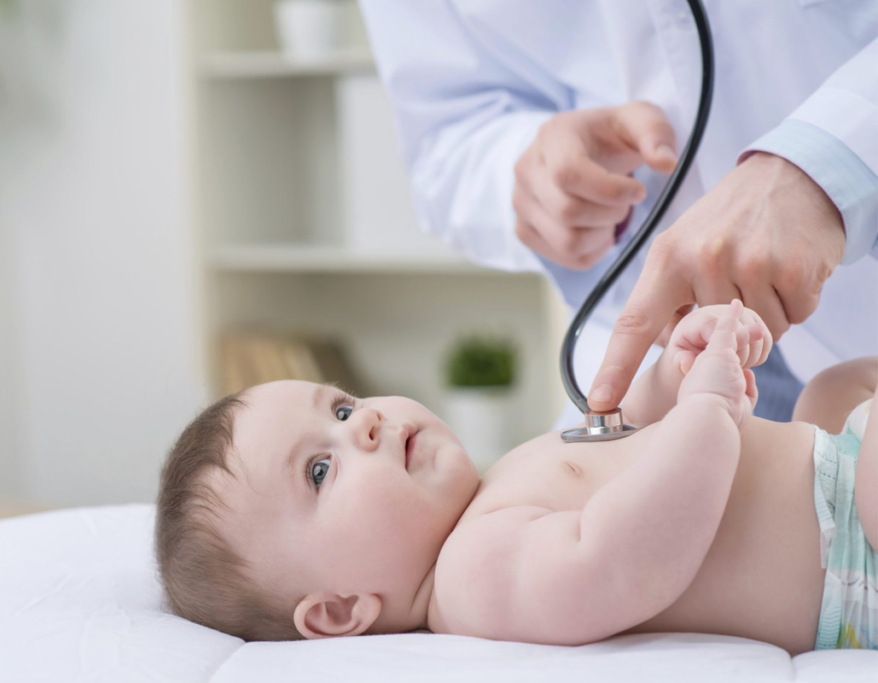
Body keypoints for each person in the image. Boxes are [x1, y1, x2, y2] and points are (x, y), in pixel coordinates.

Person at [155, 300, 878, 652]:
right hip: (850, 555)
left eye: (343, 406)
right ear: (342, 610)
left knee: (834, 387)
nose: (363, 423)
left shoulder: (495, 484)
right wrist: (709, 410)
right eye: (320, 468)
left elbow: (624, 434)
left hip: (837, 479)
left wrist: (673, 371)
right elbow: (622, 556)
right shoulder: (472, 577)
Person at [355, 1, 878, 427]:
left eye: (342, 409)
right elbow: (446, 137)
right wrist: (525, 169)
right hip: (662, 338)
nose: (364, 428)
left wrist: (833, 158)